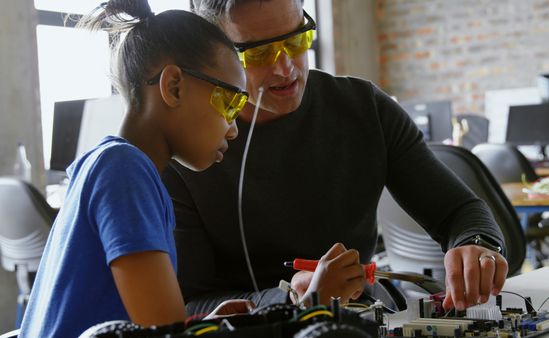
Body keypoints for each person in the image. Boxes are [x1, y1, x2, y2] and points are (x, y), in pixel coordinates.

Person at [162, 0, 508, 315]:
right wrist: (290, 298)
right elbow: (191, 303)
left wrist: (476, 244)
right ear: (215, 53)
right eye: (257, 53)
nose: (285, 68)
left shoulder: (364, 108)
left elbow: (459, 211)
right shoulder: (186, 150)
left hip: (364, 317)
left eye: (296, 40)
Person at [22, 0, 260, 336]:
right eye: (230, 102)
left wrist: (201, 325)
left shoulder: (107, 164)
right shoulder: (126, 170)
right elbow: (164, 332)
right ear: (173, 86)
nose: (234, 128)